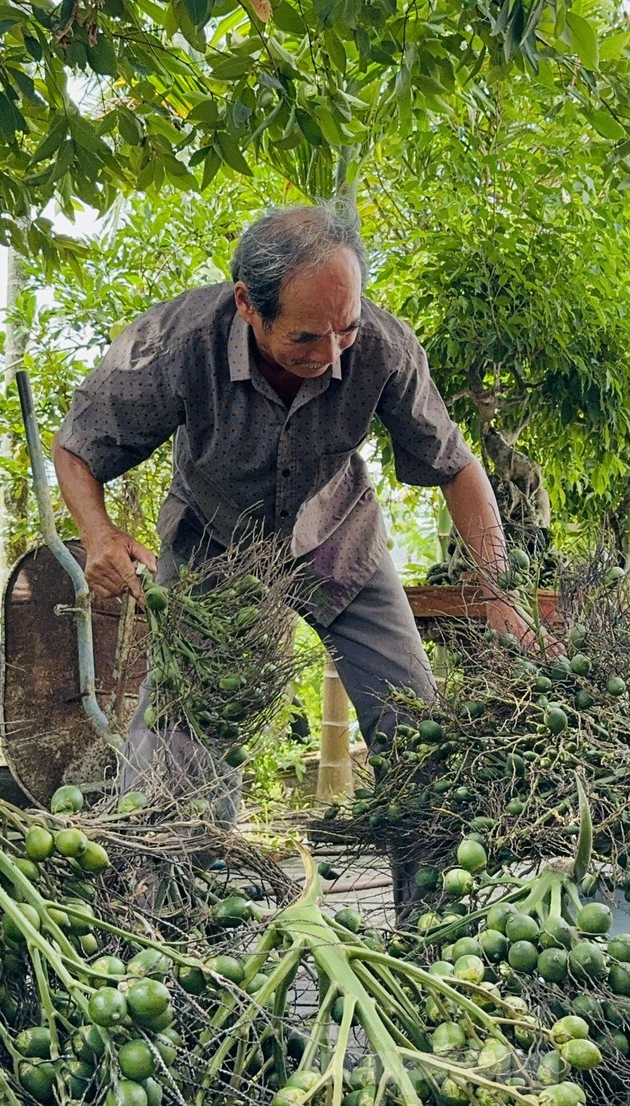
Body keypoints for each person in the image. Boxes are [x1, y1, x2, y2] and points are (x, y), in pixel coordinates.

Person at [52, 204, 528, 834]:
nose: (331, 354)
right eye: (306, 337)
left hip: (337, 539)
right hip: (214, 545)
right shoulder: (178, 343)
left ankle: (430, 922)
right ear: (249, 304)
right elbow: (77, 445)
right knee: (181, 746)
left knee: (415, 727)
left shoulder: (384, 347)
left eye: (345, 329)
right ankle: (175, 914)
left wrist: (500, 592)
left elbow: (458, 467)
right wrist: (99, 535)